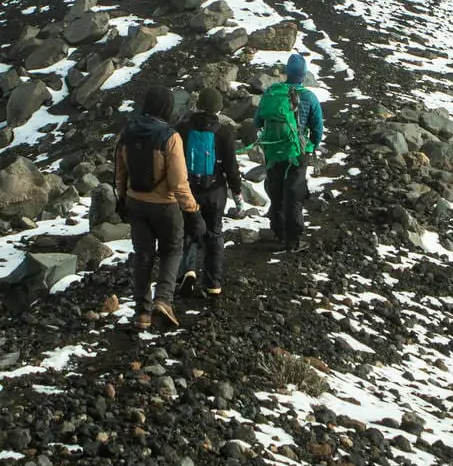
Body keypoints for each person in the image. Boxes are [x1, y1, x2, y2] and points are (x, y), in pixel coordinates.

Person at [117, 86, 197, 329]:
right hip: (165, 206)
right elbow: (178, 182)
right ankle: (163, 300)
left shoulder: (127, 131)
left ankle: (141, 312)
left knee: (143, 255)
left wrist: (121, 200)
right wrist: (192, 211)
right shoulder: (170, 137)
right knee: (172, 249)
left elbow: (120, 172)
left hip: (135, 202)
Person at [177, 86, 243, 296]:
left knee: (188, 231)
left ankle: (187, 271)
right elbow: (231, 167)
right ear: (219, 108)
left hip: (188, 190)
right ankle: (213, 284)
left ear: (198, 105)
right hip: (215, 192)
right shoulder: (224, 132)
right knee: (214, 234)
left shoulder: (182, 129)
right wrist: (237, 193)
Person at [256, 53, 324, 253]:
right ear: (303, 75)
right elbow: (317, 130)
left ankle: (278, 232)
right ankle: (293, 241)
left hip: (273, 150)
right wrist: (311, 146)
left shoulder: (271, 92)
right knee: (294, 194)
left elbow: (258, 122)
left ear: (286, 72)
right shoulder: (310, 98)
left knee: (275, 191)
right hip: (296, 152)